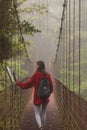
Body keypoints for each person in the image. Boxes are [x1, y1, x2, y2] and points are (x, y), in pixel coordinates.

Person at [16, 61, 53, 130]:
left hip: (37, 97)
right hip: (45, 97)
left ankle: (40, 126)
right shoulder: (48, 75)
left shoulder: (36, 74)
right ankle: (43, 127)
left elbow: (28, 84)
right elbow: (51, 86)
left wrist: (19, 84)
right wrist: (48, 93)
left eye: (36, 65)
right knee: (44, 112)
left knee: (37, 113)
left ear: (38, 66)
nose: (35, 66)